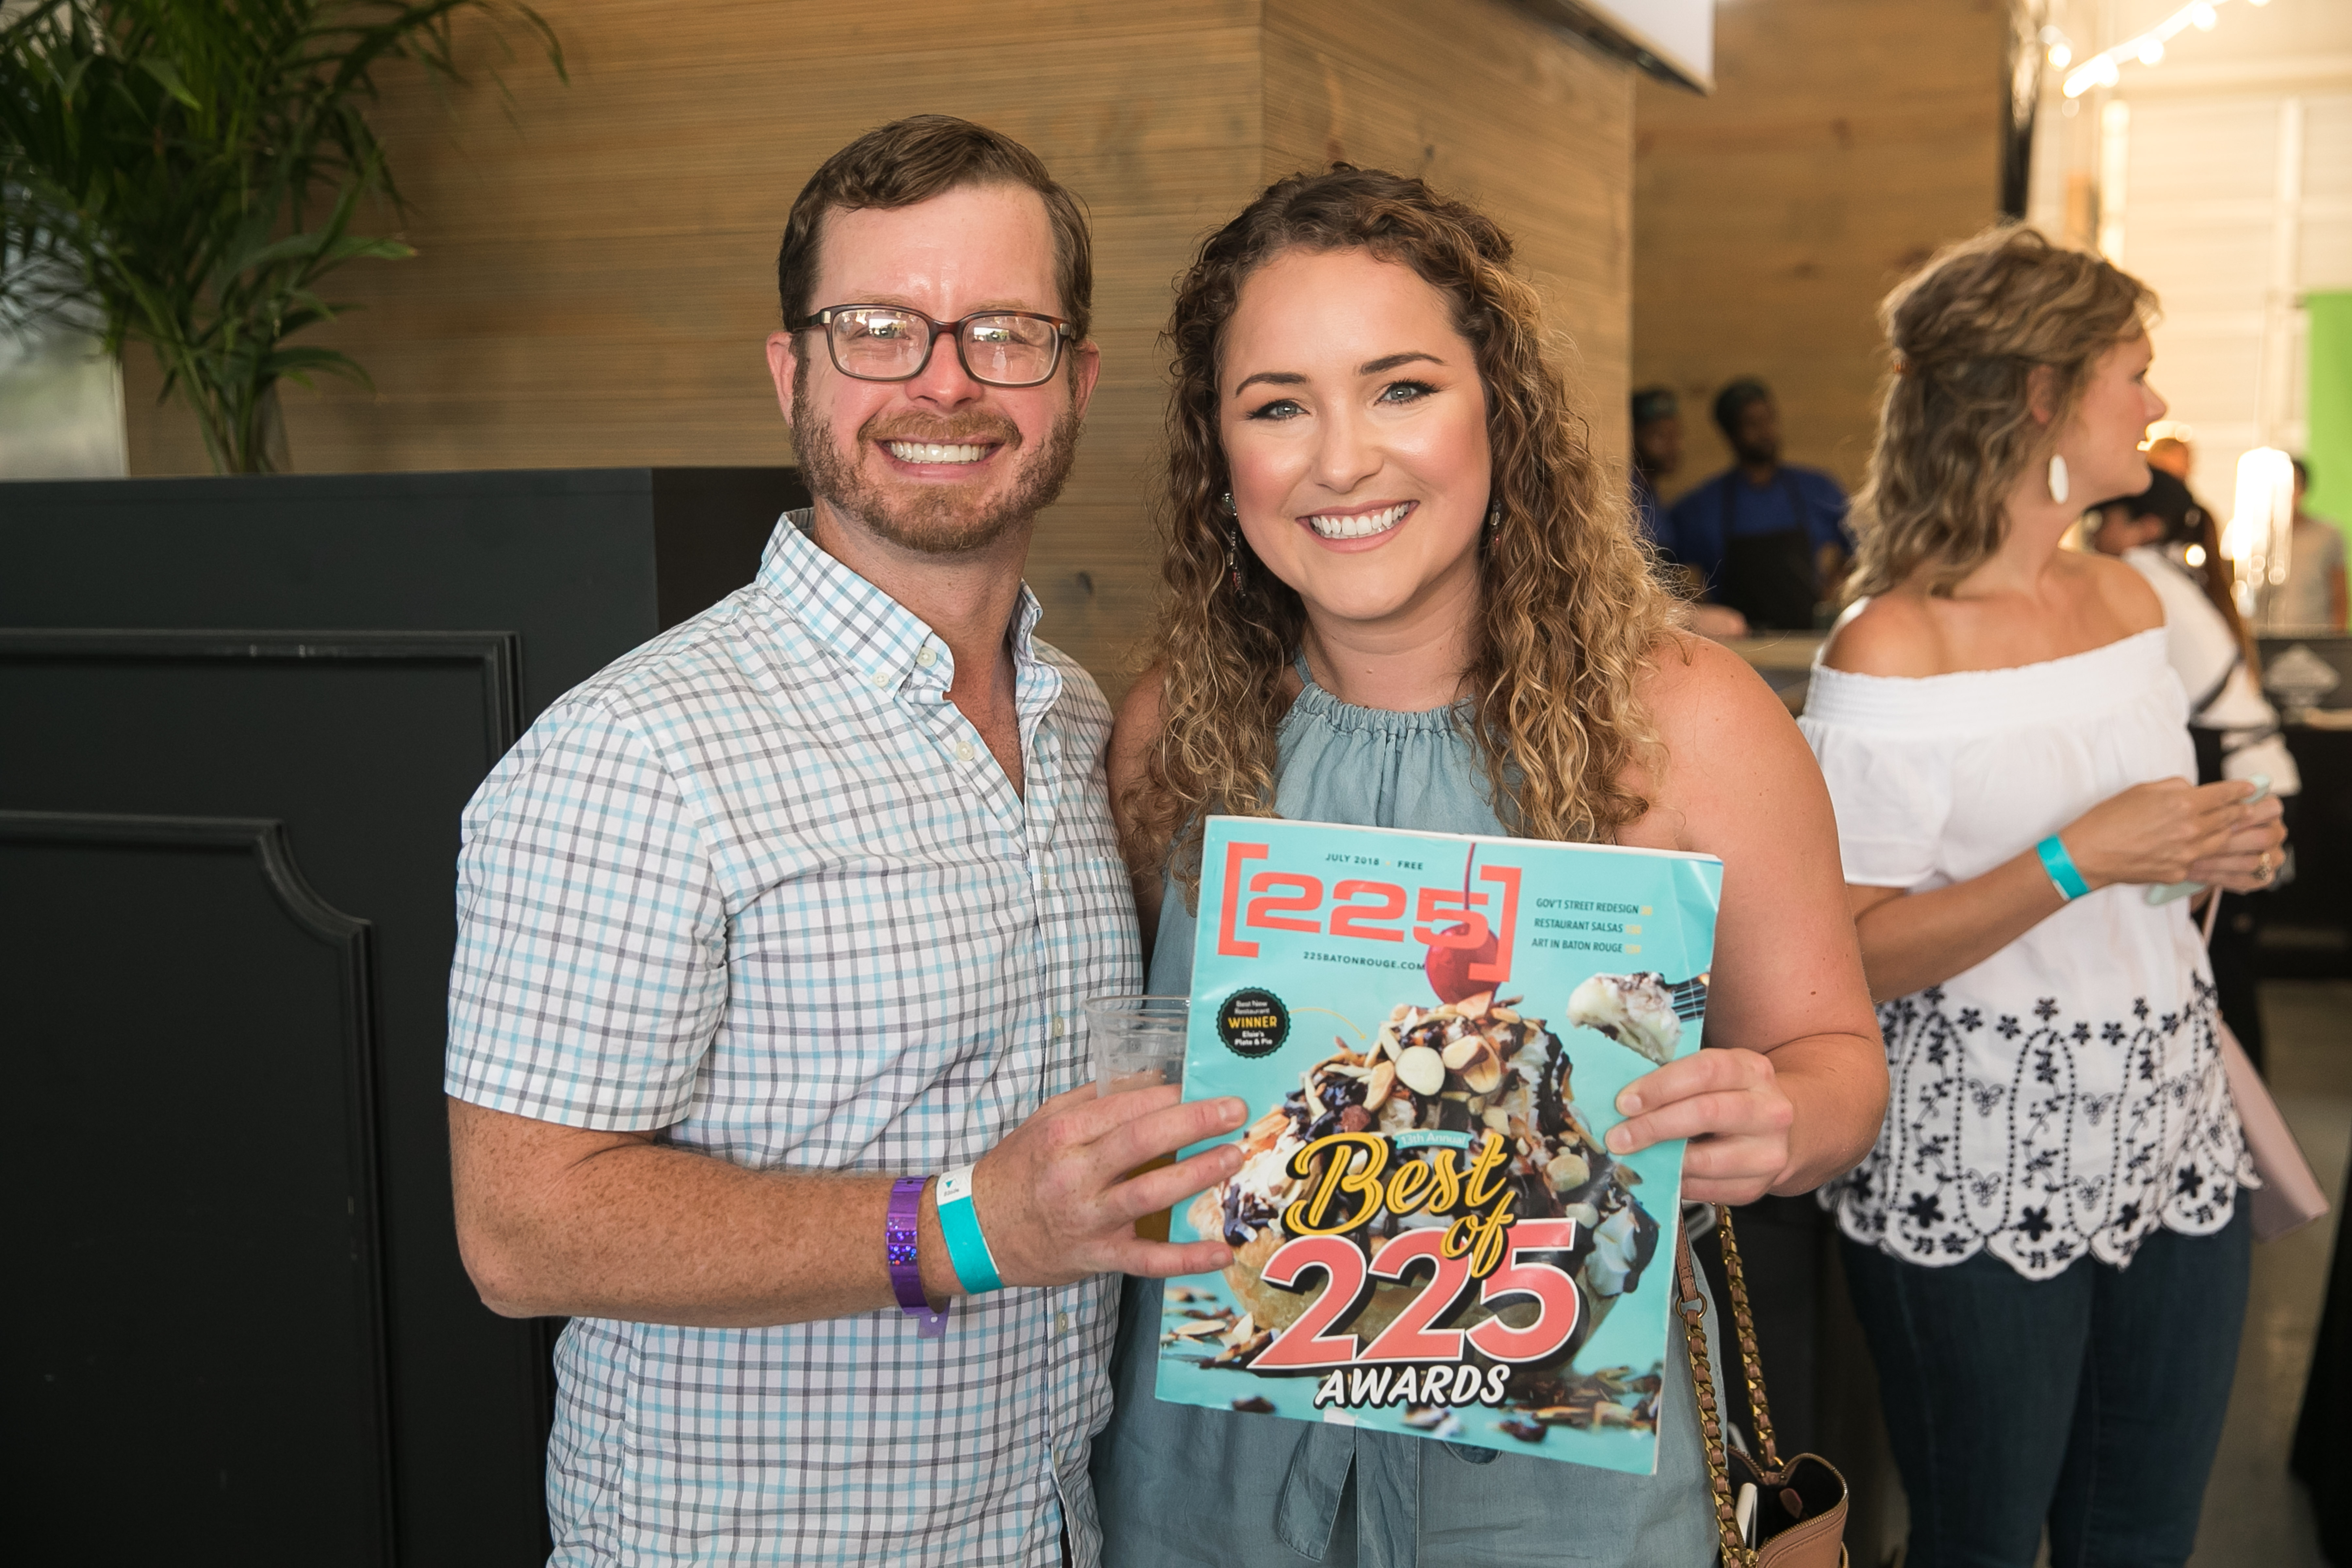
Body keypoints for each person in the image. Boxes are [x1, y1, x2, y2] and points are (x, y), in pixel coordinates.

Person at [441, 115, 1250, 1568]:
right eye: (876, 329)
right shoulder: (634, 752)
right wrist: (969, 1226)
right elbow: (523, 1231)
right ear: (791, 372)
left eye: (1004, 331)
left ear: (1075, 383)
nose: (943, 380)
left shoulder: (1083, 723)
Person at [1089, 165, 1885, 1568]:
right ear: (1219, 455)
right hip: (1222, 1471)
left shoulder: (1685, 723)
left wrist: (1774, 1118)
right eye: (1276, 406)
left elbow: (1837, 1064)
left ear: (1498, 410)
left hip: (1562, 1476)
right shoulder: (1173, 729)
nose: (1341, 460)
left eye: (1399, 388)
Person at [1805, 225, 2288, 1568]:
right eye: (2133, 371)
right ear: (2043, 396)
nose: (2155, 401)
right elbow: (1843, 958)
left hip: (2172, 1132)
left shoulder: (2131, 599)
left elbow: (2151, 858)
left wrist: (2211, 851)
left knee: (2142, 1537)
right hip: (1975, 1155)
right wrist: (2077, 859)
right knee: (1976, 1540)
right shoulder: (1891, 647)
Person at [2090, 476, 2301, 1067]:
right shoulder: (2170, 574)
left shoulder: (2136, 573)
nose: (2094, 534)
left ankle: (2241, 1109)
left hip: (2240, 784)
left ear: (2144, 527)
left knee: (2218, 964)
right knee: (2221, 958)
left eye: (2105, 519)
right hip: (2258, 777)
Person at [1660, 376, 1852, 630]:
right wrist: (1698, 614)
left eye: (1769, 419)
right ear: (1730, 434)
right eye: (1752, 423)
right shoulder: (1700, 507)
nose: (1765, 431)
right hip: (1736, 643)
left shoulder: (1817, 490)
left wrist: (1832, 586)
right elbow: (1661, 571)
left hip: (1805, 639)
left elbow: (1860, 546)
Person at [1635, 383, 1750, 639]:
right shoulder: (1624, 495)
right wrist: (1689, 616)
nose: (1674, 446)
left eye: (1677, 436)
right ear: (1632, 435)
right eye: (1660, 436)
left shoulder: (1655, 500)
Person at [2282, 456, 2350, 630]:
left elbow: (2340, 597)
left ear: (2303, 489)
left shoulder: (2327, 535)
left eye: (2292, 486)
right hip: (2265, 639)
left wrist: (2336, 640)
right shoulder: (2254, 538)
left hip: (2315, 638)